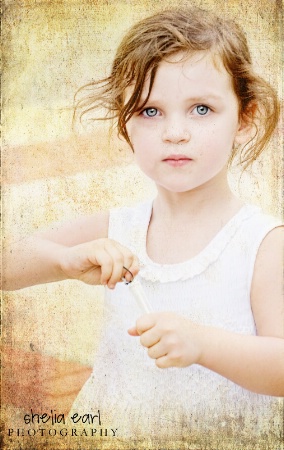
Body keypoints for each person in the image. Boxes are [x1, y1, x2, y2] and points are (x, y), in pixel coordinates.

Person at [4, 6, 283, 448]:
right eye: (150, 111)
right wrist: (64, 260)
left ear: (244, 120)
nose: (175, 132)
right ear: (125, 125)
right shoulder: (119, 227)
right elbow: (6, 267)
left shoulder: (263, 243)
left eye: (201, 109)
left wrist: (202, 344)